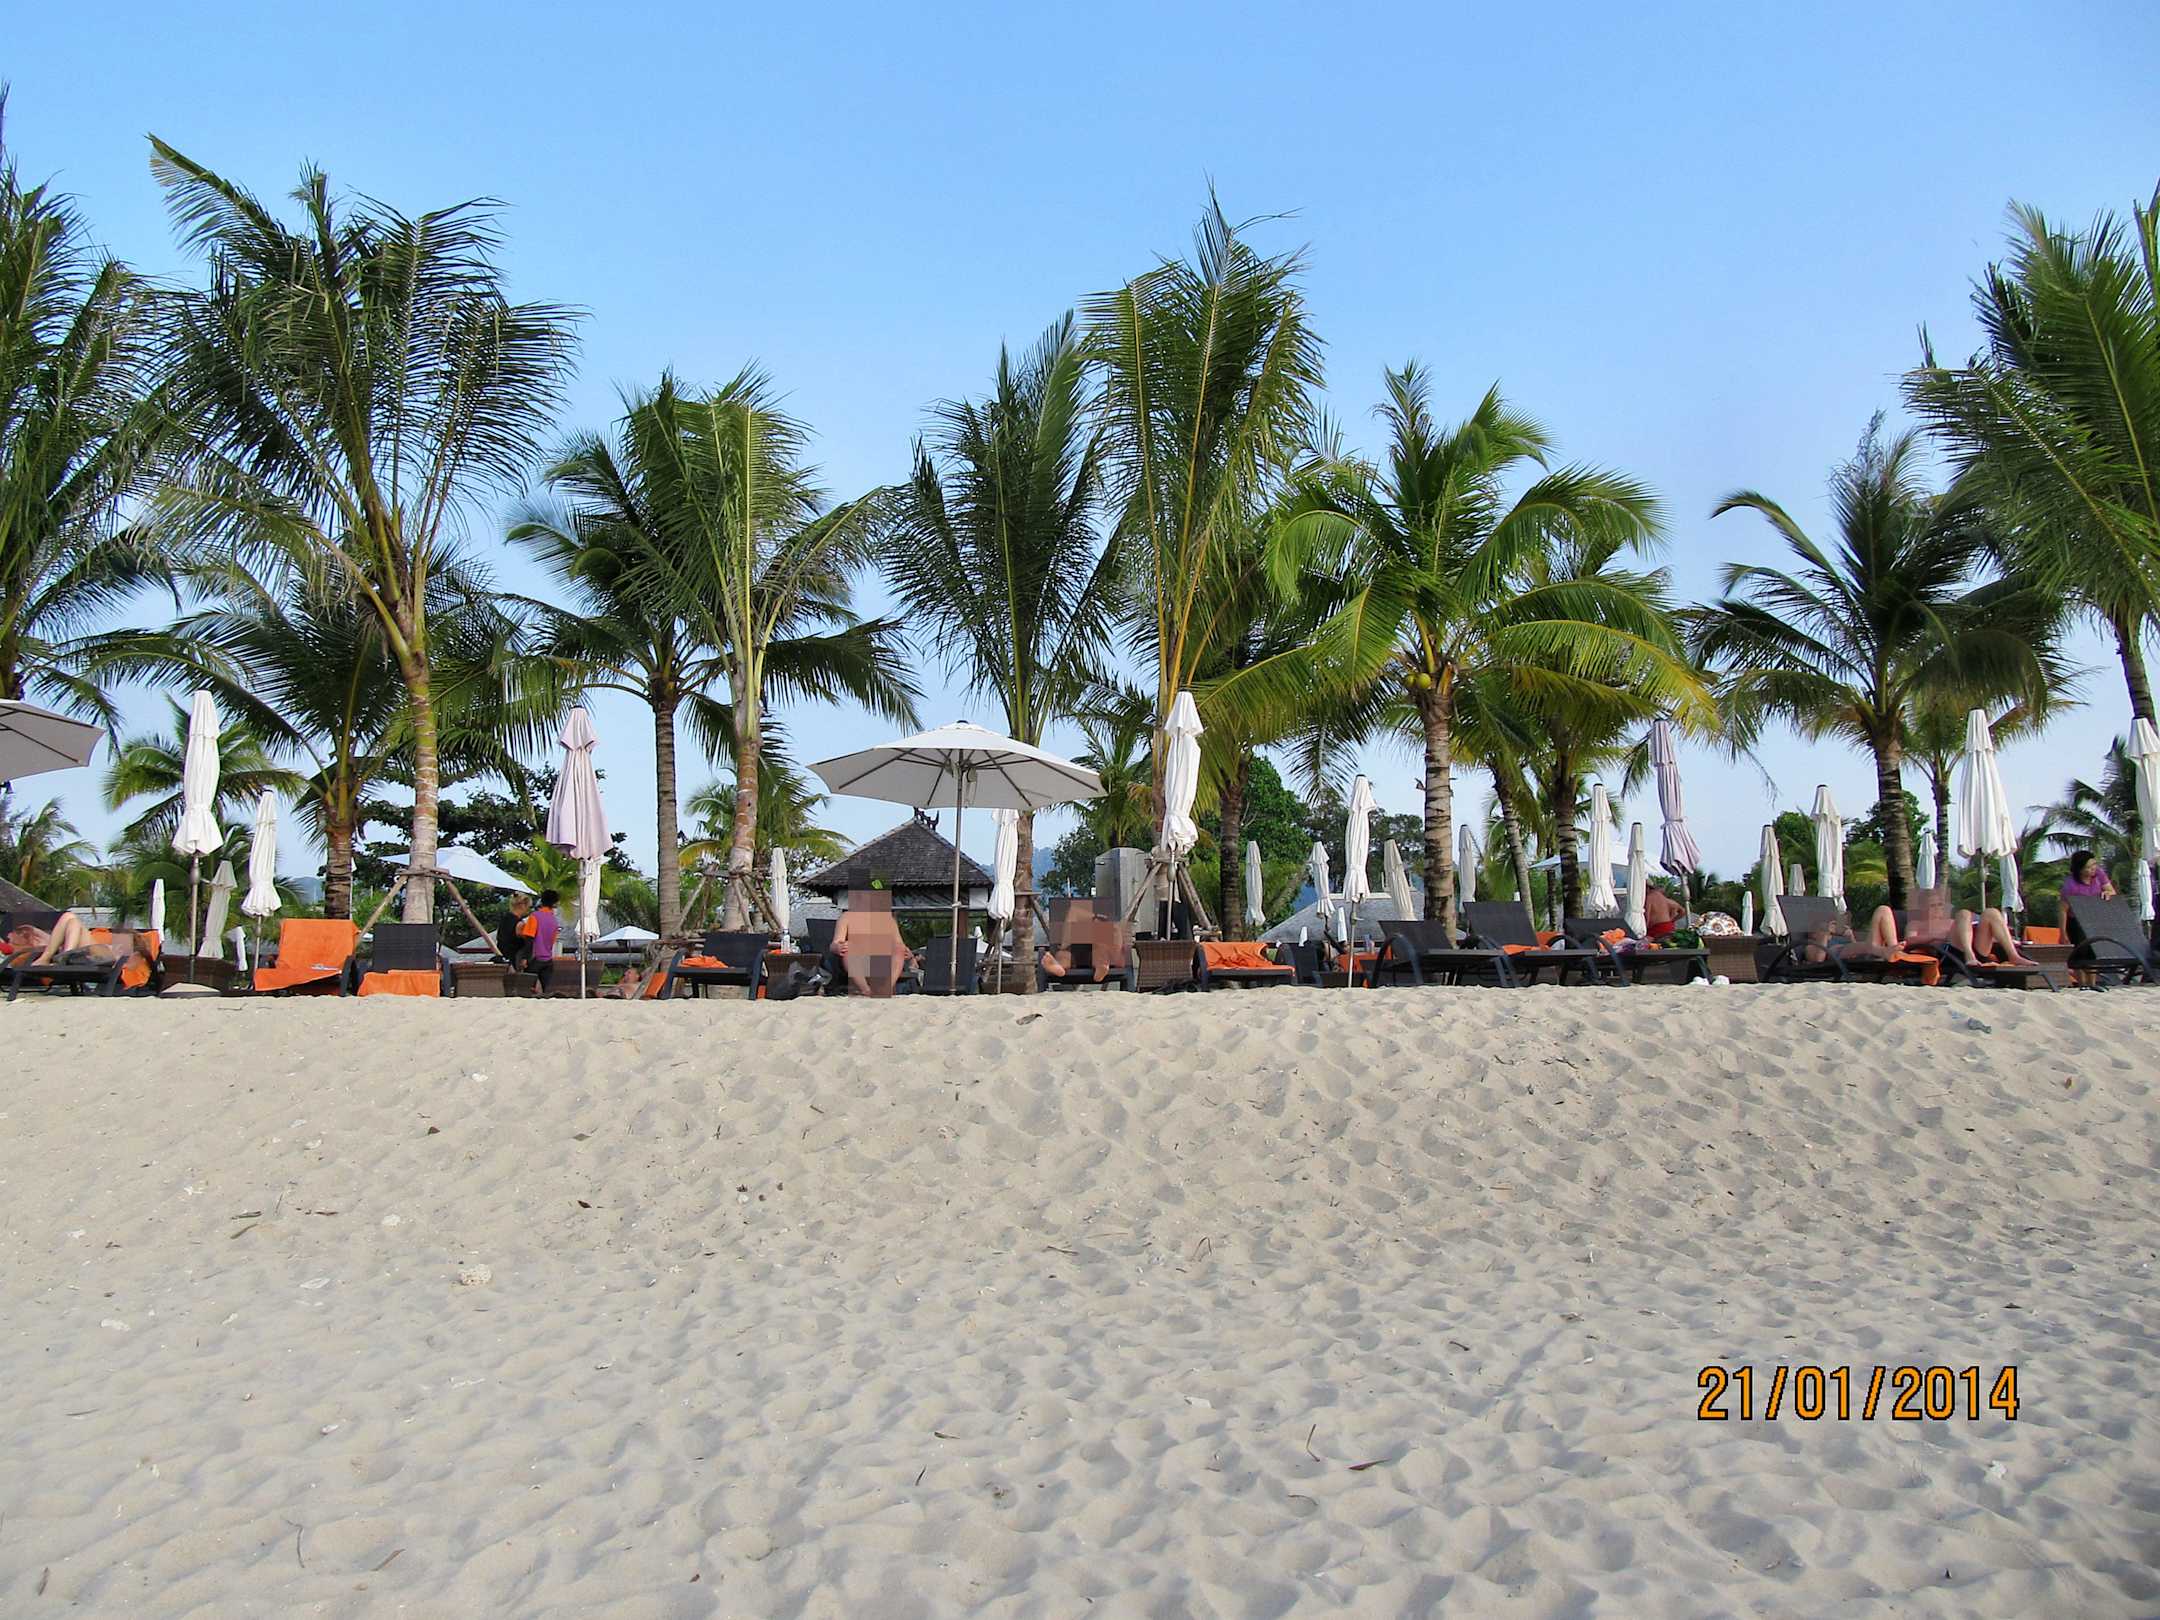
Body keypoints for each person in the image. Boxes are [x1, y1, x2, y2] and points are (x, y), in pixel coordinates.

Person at [529, 889, 561, 989]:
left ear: (542, 901)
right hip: (548, 959)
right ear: (555, 903)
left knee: (528, 988)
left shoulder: (534, 916)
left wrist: (525, 957)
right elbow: (552, 941)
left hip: (534, 958)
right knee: (547, 989)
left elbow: (529, 938)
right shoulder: (554, 921)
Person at [497, 892, 534, 972]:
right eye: (529, 907)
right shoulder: (520, 924)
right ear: (523, 905)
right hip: (515, 958)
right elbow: (528, 941)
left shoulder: (504, 919)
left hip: (503, 956)